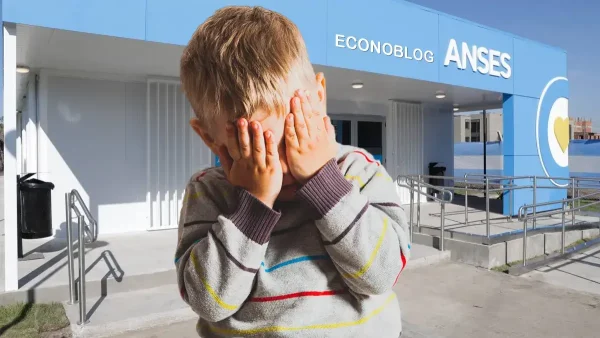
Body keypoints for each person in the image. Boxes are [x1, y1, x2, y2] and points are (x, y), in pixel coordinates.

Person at [175, 6, 411, 337]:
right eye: (253, 149)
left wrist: (324, 183)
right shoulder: (209, 192)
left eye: (292, 137)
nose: (281, 166)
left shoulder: (359, 170)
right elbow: (209, 302)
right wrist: (254, 203)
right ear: (210, 138)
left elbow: (381, 274)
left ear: (319, 96)